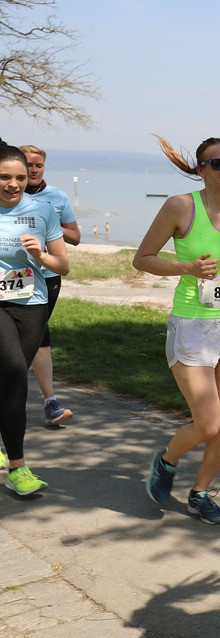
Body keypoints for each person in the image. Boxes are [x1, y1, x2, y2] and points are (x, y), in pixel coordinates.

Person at [133, 135, 220, 524]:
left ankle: (200, 493)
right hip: (192, 324)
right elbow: (142, 259)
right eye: (218, 164)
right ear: (201, 171)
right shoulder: (180, 206)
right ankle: (167, 461)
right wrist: (187, 268)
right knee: (209, 422)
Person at [0, 144, 69, 495]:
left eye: (20, 178)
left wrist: (40, 254)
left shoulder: (42, 211)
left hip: (32, 303)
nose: (13, 184)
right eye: (5, 177)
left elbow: (63, 265)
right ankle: (18, 466)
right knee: (14, 374)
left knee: (10, 383)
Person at [21, 144, 81, 425]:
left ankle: (50, 401)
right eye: (28, 165)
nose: (33, 170)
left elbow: (75, 236)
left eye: (38, 165)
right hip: (9, 276)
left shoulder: (55, 197)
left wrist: (50, 223)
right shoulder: (8, 194)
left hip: (46, 277)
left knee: (39, 336)